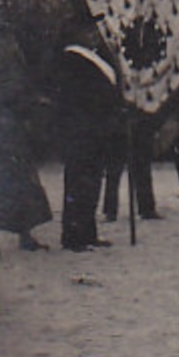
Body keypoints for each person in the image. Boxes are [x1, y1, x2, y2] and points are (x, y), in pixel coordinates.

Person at [0, 4, 52, 251]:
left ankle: (24, 232)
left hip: (9, 122)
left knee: (20, 181)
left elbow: (18, 81)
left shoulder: (7, 49)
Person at [54, 19, 121, 252]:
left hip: (96, 129)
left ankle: (87, 232)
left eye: (94, 31)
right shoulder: (71, 59)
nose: (93, 35)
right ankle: (74, 236)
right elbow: (78, 97)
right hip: (81, 129)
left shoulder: (94, 57)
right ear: (76, 33)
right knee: (79, 182)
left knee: (91, 181)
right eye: (88, 30)